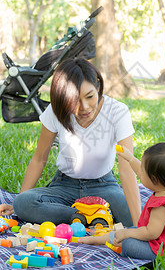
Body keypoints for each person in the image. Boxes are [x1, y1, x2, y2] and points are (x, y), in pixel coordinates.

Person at [0, 57, 141, 226]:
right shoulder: (56, 111)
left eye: (89, 96)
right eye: (74, 102)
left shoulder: (117, 112)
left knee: (133, 217)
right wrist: (20, 201)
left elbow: (126, 171)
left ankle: (86, 216)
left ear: (97, 86)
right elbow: (39, 158)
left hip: (103, 186)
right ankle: (87, 216)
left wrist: (138, 222)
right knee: (23, 203)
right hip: (64, 186)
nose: (85, 107)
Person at [78, 142, 165, 260]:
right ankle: (96, 240)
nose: (140, 174)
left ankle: (118, 243)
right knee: (130, 230)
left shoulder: (161, 206)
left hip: (163, 250)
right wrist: (130, 158)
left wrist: (126, 234)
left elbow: (151, 233)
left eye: (143, 171)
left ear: (155, 180)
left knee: (129, 243)